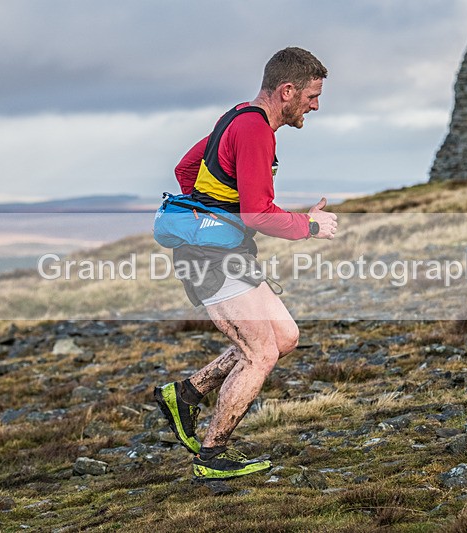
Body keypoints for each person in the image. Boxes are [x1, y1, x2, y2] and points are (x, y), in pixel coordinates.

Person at [153, 47, 338, 481]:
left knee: (285, 337)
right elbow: (257, 214)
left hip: (228, 251)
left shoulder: (236, 117)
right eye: (311, 96)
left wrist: (214, 209)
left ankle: (186, 393)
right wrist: (308, 226)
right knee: (260, 353)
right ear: (287, 90)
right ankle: (212, 455)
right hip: (210, 259)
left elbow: (187, 168)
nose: (316, 105)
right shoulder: (255, 131)